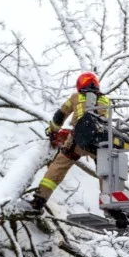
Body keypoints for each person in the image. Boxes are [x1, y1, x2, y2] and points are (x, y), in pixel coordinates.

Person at [29, 71, 112, 212]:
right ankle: (110, 205)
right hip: (100, 141)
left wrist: (53, 130)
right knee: (105, 172)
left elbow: (60, 115)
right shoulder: (106, 100)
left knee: (59, 165)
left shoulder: (76, 97)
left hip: (78, 139)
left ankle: (39, 199)